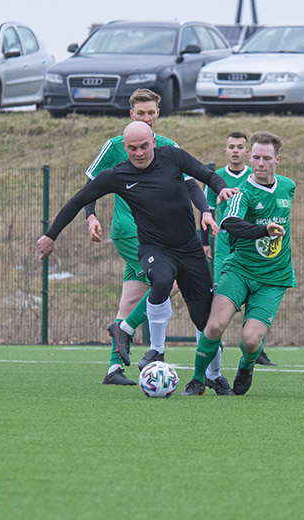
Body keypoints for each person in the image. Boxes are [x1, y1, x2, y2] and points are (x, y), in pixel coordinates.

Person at [37, 122, 237, 379]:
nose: (139, 153)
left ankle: (213, 377)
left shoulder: (173, 157)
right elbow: (78, 200)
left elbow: (206, 176)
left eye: (144, 146)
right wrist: (51, 235)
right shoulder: (117, 175)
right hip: (154, 247)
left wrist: (219, 191)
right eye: (132, 148)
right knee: (163, 279)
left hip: (189, 248)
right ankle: (155, 350)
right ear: (125, 147)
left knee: (203, 319)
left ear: (154, 141)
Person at [82, 88, 214, 385]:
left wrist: (204, 210)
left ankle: (114, 368)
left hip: (159, 235)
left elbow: (192, 183)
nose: (146, 118)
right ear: (131, 115)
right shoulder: (118, 145)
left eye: (151, 113)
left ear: (158, 114)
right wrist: (91, 216)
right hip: (131, 233)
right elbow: (91, 183)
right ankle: (129, 333)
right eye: (140, 113)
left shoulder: (168, 147)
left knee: (130, 299)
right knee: (172, 282)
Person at [182, 131, 296, 396]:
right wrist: (263, 230)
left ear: (277, 159)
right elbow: (229, 223)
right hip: (240, 270)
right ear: (249, 157)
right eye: (255, 157)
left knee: (251, 339)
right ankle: (199, 379)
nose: (260, 163)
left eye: (266, 158)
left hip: (273, 277)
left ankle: (246, 365)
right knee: (214, 325)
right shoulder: (241, 192)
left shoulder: (288, 186)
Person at [198, 132, 276, 395]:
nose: (235, 151)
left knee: (250, 334)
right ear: (226, 151)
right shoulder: (219, 180)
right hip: (227, 253)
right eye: (231, 147)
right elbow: (208, 212)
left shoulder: (280, 185)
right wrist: (205, 241)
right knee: (216, 319)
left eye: (240, 147)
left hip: (264, 264)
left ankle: (252, 353)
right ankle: (207, 375)